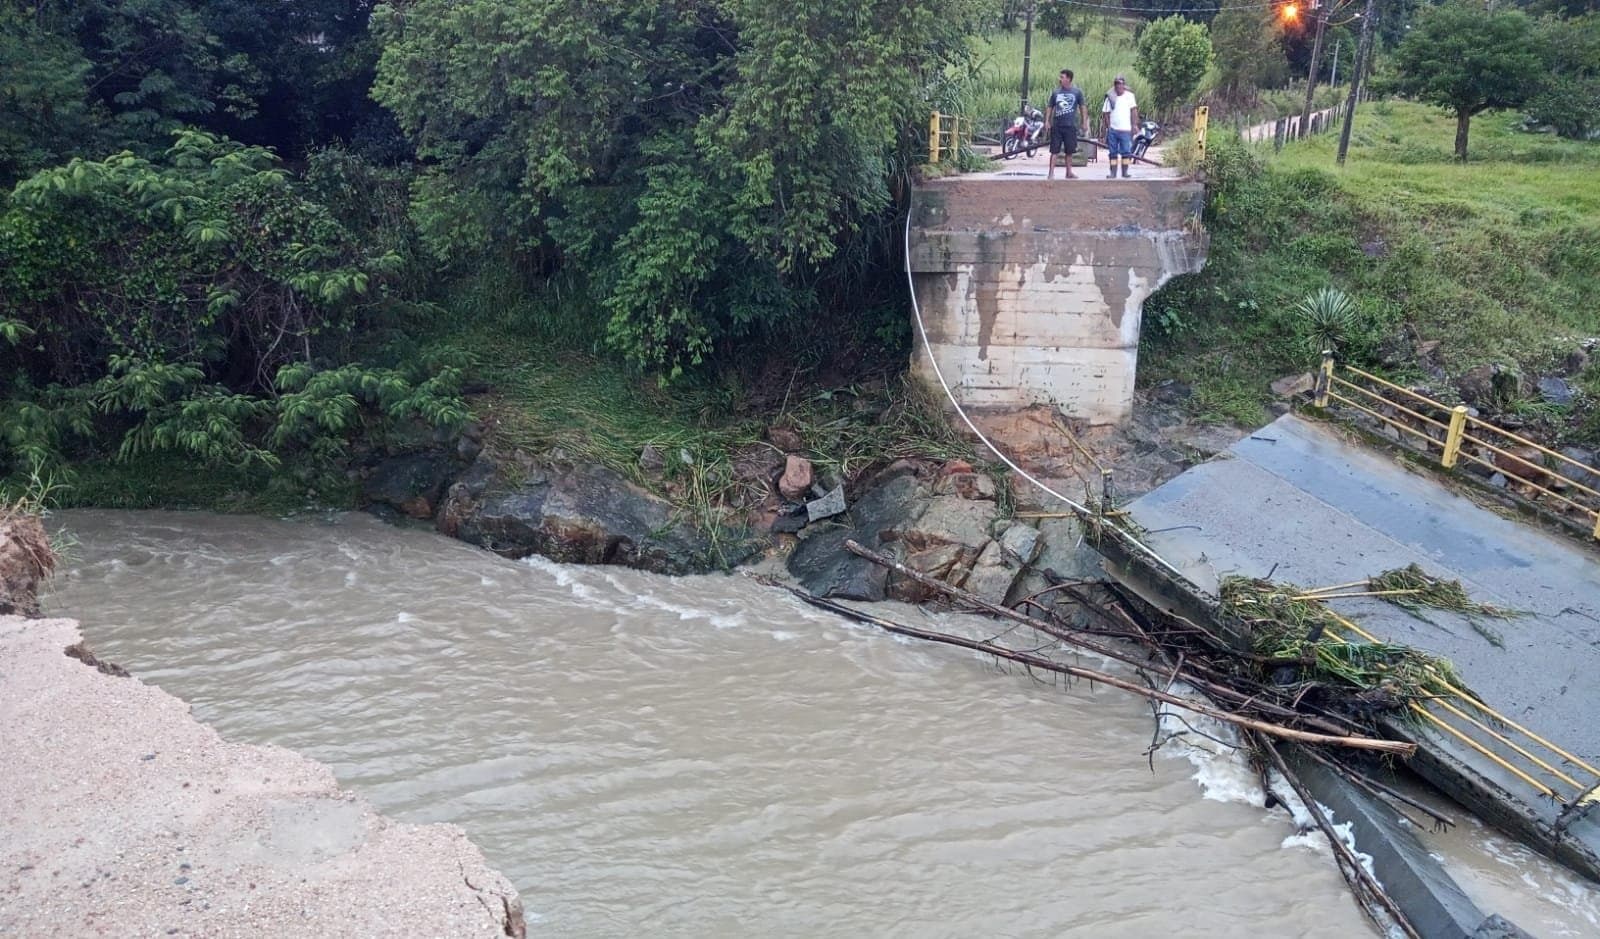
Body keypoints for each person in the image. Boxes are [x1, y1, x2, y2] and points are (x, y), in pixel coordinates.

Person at [1044, 69, 1087, 181]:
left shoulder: (1077, 92)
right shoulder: (1056, 92)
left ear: (1068, 79)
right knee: (1054, 150)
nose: (1060, 79)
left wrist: (1084, 122)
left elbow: (1082, 107)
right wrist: (1047, 121)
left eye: (1062, 77)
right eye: (1060, 77)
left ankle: (1069, 172)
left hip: (1070, 125)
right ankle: (1051, 172)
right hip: (1057, 125)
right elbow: (1050, 107)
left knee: (1069, 150)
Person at [1101, 75, 1139, 179]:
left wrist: (1134, 125)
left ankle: (1124, 172)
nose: (1119, 87)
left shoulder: (1129, 96)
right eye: (1117, 84)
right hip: (1113, 129)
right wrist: (1108, 127)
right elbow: (1106, 113)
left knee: (1126, 151)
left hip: (1125, 129)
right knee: (1112, 152)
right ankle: (1113, 173)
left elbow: (1134, 110)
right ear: (1115, 86)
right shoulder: (1110, 97)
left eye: (1120, 84)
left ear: (1124, 85)